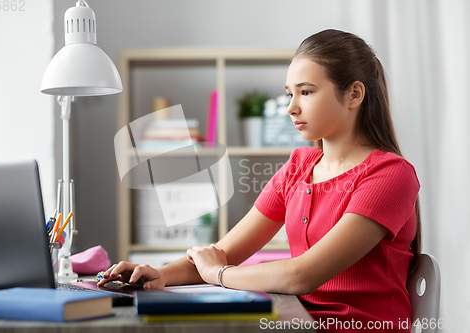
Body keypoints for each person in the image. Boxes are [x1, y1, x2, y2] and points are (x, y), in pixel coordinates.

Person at [99, 29, 420, 332]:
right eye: (289, 94)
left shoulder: (390, 175)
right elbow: (222, 252)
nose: (292, 108)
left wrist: (219, 274)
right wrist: (159, 275)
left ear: (353, 94)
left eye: (306, 92)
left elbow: (301, 276)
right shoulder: (298, 167)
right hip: (297, 321)